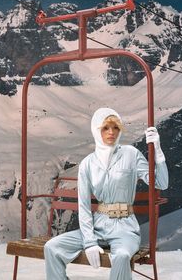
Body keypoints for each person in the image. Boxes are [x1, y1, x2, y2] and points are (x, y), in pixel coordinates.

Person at [44, 107, 168, 280]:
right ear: (96, 130)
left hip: (125, 229)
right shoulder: (88, 164)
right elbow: (84, 206)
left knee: (122, 256)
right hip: (98, 226)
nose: (111, 132)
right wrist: (89, 242)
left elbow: (161, 183)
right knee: (52, 247)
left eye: (116, 127)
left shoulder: (131, 154)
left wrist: (158, 151)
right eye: (105, 128)